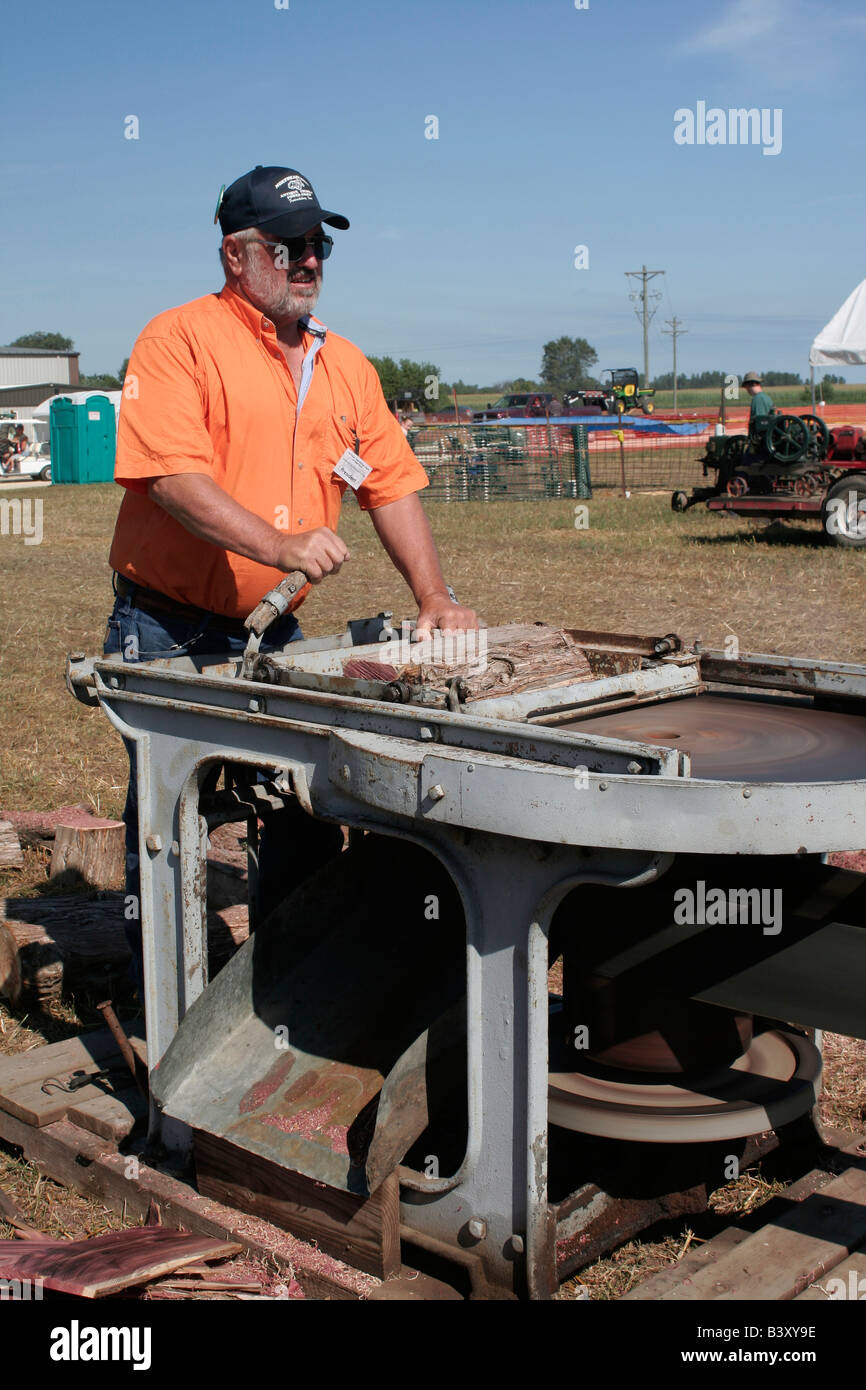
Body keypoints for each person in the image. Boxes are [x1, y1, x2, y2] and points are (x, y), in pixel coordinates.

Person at [105, 163, 478, 985]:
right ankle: (166, 1000)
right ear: (237, 255)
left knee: (305, 806)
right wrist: (277, 546)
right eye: (289, 247)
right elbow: (169, 477)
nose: (308, 262)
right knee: (171, 815)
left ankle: (282, 992)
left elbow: (394, 485)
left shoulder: (343, 364)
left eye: (318, 247)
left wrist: (434, 596)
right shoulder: (179, 340)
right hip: (166, 625)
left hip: (272, 630)